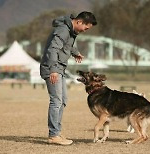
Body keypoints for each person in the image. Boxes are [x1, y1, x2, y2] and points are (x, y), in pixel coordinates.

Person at [40, 11, 97, 145]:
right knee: (57, 101)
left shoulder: (70, 31)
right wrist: (53, 69)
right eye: (86, 28)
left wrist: (75, 53)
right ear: (79, 22)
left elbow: (66, 45)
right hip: (53, 69)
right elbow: (53, 49)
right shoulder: (63, 30)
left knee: (63, 100)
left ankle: (57, 133)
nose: (85, 30)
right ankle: (54, 135)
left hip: (59, 68)